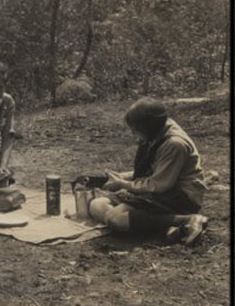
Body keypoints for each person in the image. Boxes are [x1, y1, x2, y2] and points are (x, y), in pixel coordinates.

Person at [89, 97, 209, 245]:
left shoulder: (174, 144)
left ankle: (187, 219)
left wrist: (122, 184)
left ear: (149, 126)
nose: (133, 133)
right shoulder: (157, 133)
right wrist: (122, 176)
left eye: (136, 129)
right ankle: (165, 226)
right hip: (160, 191)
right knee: (97, 205)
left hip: (180, 196)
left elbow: (159, 184)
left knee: (116, 219)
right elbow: (154, 170)